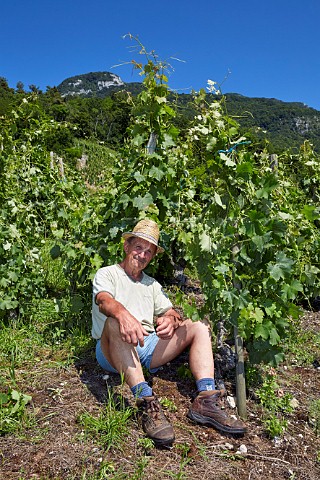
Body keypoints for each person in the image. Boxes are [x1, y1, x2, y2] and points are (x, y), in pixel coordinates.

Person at [92, 219, 246, 446]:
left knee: (199, 326)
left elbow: (172, 312)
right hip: (112, 350)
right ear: (126, 246)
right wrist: (123, 315)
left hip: (147, 346)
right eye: (138, 247)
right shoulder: (107, 274)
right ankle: (146, 402)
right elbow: (103, 301)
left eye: (148, 252)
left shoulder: (151, 284)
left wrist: (170, 320)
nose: (142, 255)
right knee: (114, 322)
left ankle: (206, 399)